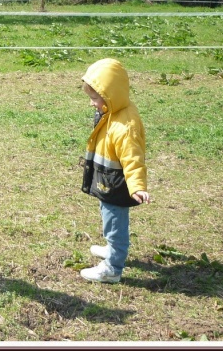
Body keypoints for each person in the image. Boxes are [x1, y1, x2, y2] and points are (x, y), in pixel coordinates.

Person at [79, 58, 150, 283]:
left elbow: (133, 159)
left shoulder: (124, 126)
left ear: (110, 95)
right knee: (108, 216)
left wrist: (137, 186)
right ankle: (112, 249)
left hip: (118, 184)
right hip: (106, 180)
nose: (92, 103)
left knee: (115, 223)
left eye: (95, 98)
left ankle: (112, 268)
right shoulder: (113, 112)